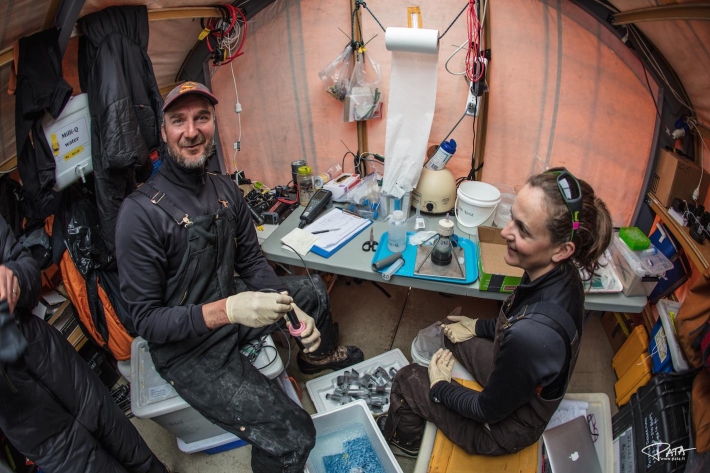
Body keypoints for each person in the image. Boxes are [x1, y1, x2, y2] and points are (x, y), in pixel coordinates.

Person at [115, 81, 364, 473]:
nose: (191, 131)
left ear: (214, 123)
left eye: (202, 118)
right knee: (295, 435)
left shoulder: (225, 189)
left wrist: (293, 311)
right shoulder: (139, 214)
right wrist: (228, 309)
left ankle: (316, 356)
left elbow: (252, 265)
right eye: (179, 121)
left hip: (231, 304)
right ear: (163, 132)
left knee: (312, 291)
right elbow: (145, 321)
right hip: (188, 349)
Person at [380, 168, 612, 457]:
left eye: (523, 230)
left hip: (503, 430)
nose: (505, 232)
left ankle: (405, 442)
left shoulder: (534, 335)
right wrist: (476, 325)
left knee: (407, 379)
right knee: (449, 329)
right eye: (512, 218)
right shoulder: (559, 273)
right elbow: (515, 319)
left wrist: (440, 385)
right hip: (519, 377)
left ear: (562, 250)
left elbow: (486, 410)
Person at [0, 214, 167, 472]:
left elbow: (27, 269)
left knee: (131, 448)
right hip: (31, 422)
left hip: (58, 363)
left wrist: (15, 281)